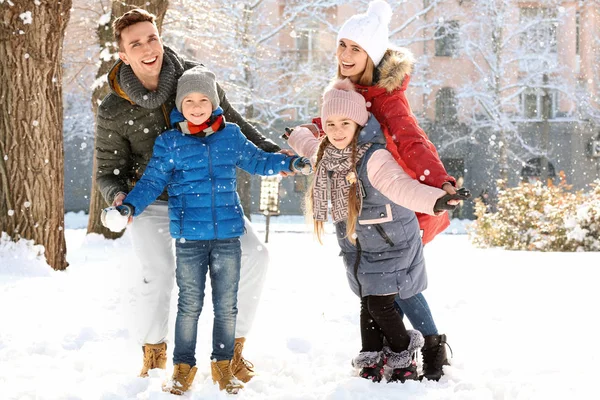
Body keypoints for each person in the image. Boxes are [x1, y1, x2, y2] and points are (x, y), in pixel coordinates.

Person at [94, 9, 286, 381]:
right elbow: (108, 171)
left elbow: (236, 126)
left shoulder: (193, 79)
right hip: (152, 201)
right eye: (136, 44)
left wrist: (277, 155)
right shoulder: (114, 109)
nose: (148, 49)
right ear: (123, 55)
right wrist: (118, 197)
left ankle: (231, 352)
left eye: (152, 38)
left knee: (256, 257)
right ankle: (154, 355)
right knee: (159, 271)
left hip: (204, 198)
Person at [297, 0, 460, 381]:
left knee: (397, 284)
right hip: (364, 203)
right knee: (384, 284)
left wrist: (439, 182)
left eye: (356, 48)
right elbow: (326, 125)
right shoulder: (345, 90)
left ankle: (430, 347)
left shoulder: (387, 99)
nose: (346, 54)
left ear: (371, 53)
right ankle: (394, 349)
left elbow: (413, 141)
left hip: (399, 196)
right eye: (342, 45)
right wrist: (301, 136)